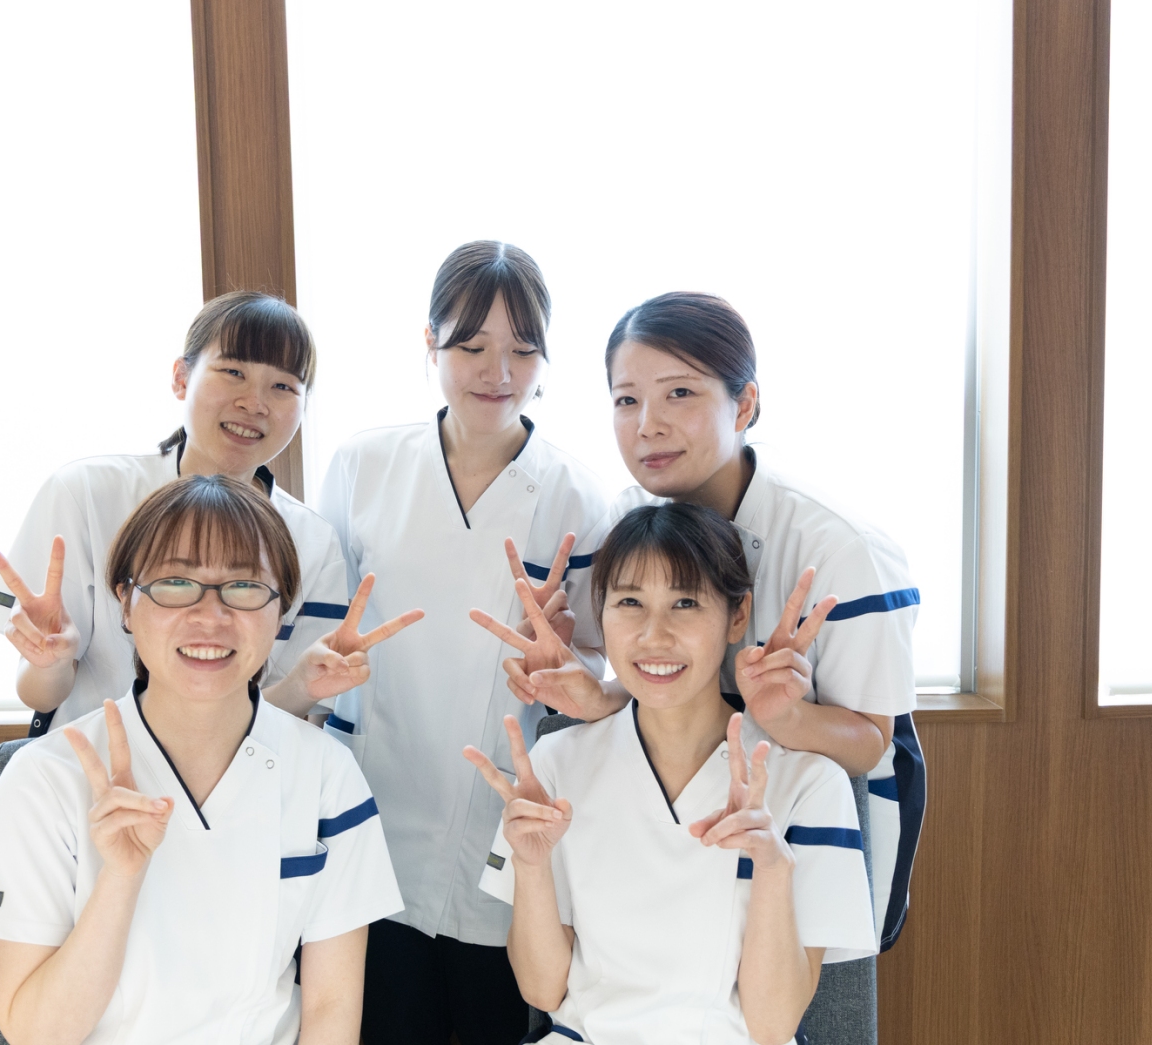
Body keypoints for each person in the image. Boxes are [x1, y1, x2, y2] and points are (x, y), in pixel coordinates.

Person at [499, 292, 925, 1041]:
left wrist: (786, 717)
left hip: (818, 777)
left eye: (680, 394)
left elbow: (870, 743)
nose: (647, 424)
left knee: (799, 1003)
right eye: (626, 399)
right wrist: (593, 693)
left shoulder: (838, 548)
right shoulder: (626, 520)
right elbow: (652, 680)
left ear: (746, 403)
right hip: (685, 766)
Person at [0, 474, 406, 1045]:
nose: (210, 616)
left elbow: (331, 1009)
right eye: (175, 583)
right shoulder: (44, 779)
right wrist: (120, 878)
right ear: (126, 602)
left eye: (244, 586)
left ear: (280, 614)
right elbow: (35, 1032)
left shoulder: (327, 774)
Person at [316, 241, 608, 1045]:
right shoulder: (363, 465)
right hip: (374, 802)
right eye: (471, 345)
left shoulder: (579, 497)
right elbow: (318, 630)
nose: (497, 371)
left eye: (522, 348)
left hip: (498, 823)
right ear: (430, 343)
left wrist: (564, 665)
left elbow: (594, 674)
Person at [466, 502, 877, 1044]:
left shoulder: (810, 783)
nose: (654, 635)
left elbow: (773, 1026)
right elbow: (543, 991)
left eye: (685, 602)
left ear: (737, 615)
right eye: (629, 602)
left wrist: (773, 870)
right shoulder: (554, 764)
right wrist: (531, 863)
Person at [0, 291, 402, 737]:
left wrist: (300, 686)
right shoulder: (84, 493)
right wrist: (49, 661)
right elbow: (40, 695)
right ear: (181, 378)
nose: (254, 403)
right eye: (233, 372)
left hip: (233, 778)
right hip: (92, 767)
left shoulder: (311, 540)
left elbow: (285, 731)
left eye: (282, 387)